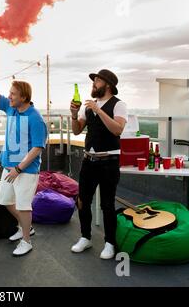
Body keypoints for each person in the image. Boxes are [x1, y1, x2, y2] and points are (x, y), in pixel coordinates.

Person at [0, 49, 47, 257]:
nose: (8, 96)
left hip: (26, 170)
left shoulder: (35, 118)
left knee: (24, 205)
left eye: (12, 94)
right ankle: (26, 227)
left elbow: (37, 148)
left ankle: (27, 240)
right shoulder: (11, 108)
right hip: (9, 166)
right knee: (6, 201)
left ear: (24, 97)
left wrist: (19, 169)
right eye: (9, 94)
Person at [69, 69, 128, 259]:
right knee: (82, 200)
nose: (93, 84)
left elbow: (117, 129)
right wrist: (73, 114)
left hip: (109, 162)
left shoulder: (119, 105)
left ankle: (110, 243)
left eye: (97, 81)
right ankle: (85, 237)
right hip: (89, 161)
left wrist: (98, 110)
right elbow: (77, 131)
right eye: (93, 81)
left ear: (108, 85)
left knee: (107, 204)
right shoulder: (89, 107)